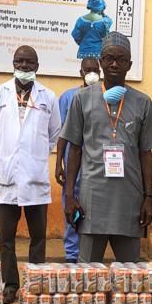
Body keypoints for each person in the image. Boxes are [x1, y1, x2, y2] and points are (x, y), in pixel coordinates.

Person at [61, 32, 152, 264]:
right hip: (92, 199)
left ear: (129, 65)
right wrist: (69, 195)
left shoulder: (142, 102)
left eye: (121, 59)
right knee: (88, 274)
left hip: (129, 199)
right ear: (101, 62)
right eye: (109, 58)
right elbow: (74, 149)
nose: (114, 64)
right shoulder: (82, 99)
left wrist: (148, 197)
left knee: (130, 274)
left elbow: (146, 153)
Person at [0, 45, 61, 304]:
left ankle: (35, 283)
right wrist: (8, 157)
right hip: (7, 177)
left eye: (29, 62)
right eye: (19, 61)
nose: (24, 66)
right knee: (6, 238)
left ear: (37, 66)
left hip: (35, 177)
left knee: (38, 236)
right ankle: (10, 285)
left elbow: (54, 133)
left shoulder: (48, 97)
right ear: (13, 63)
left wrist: (35, 155)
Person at [55, 57, 102, 263]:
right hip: (73, 165)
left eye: (95, 70)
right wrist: (59, 162)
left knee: (93, 212)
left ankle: (90, 255)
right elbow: (62, 133)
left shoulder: (105, 96)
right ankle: (72, 255)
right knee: (71, 207)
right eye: (87, 70)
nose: (91, 74)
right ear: (80, 72)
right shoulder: (68, 97)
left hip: (95, 166)